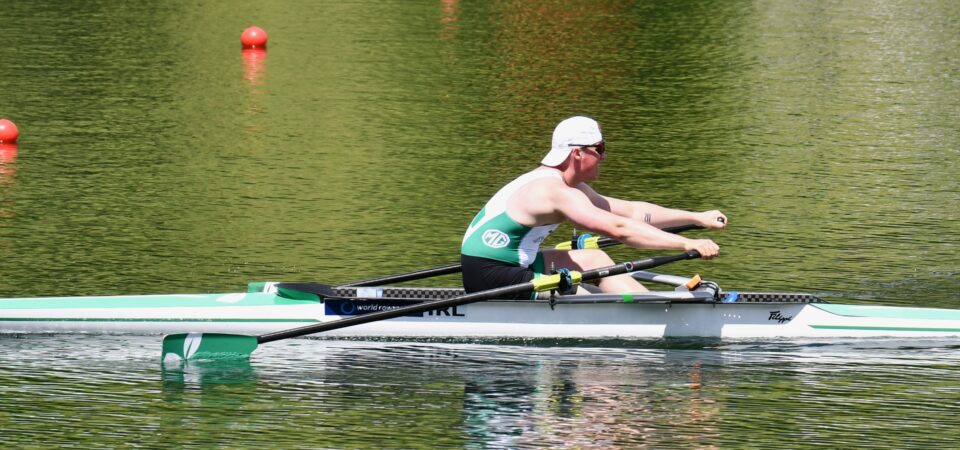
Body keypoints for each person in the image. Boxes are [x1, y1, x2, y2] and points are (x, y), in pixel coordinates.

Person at [460, 116, 726, 298]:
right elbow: (620, 229)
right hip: (493, 275)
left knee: (594, 259)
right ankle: (638, 319)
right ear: (577, 153)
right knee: (580, 294)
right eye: (599, 148)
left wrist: (697, 217)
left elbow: (632, 213)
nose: (604, 156)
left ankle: (650, 311)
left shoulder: (564, 184)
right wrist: (686, 243)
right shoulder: (554, 191)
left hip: (505, 262)